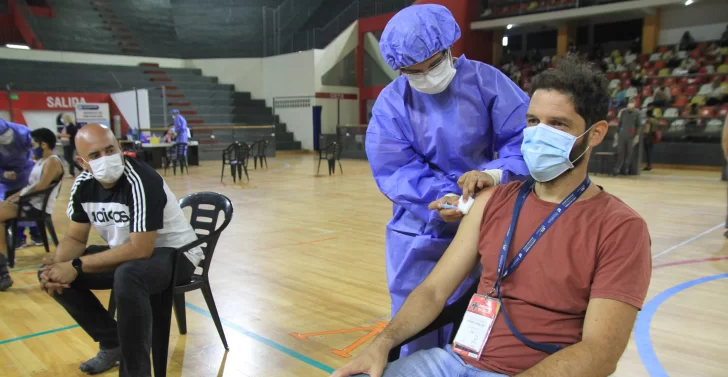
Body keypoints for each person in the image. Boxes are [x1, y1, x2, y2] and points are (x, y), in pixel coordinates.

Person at [332, 56, 651, 377]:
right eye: (532, 122)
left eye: (557, 124)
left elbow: (601, 352)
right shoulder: (492, 201)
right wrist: (381, 343)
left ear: (595, 134)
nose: (539, 135)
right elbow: (433, 291)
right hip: (454, 362)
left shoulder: (621, 227)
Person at [367, 4, 530, 357]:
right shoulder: (392, 104)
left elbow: (522, 139)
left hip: (487, 220)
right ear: (399, 69)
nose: (428, 75)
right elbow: (395, 167)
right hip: (421, 228)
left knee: (478, 329)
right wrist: (442, 198)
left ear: (449, 48)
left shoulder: (487, 83)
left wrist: (492, 174)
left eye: (434, 64)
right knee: (416, 328)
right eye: (415, 71)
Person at [38, 124, 204, 376]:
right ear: (83, 162)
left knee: (128, 275)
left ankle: (134, 372)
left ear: (120, 148)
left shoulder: (141, 179)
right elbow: (74, 237)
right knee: (50, 272)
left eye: (110, 149)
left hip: (176, 254)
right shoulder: (83, 185)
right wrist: (58, 267)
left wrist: (75, 266)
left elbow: (141, 249)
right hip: (128, 255)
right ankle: (113, 341)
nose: (105, 159)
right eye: (95, 156)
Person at [0, 128, 63, 290]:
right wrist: (14, 196)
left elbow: (41, 185)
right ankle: (2, 263)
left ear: (43, 144)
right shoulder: (40, 160)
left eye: (34, 143)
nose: (31, 146)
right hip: (27, 202)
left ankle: (2, 269)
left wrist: (19, 197)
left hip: (36, 207)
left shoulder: (53, 161)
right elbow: (30, 186)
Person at [0, 118, 43, 250]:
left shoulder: (22, 131)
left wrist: (38, 154)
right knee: (11, 207)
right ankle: (19, 237)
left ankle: (36, 234)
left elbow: (39, 144)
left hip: (26, 172)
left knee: (30, 204)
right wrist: (3, 174)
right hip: (6, 180)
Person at [614, 99, 642, 175]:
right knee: (620, 152)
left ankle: (626, 169)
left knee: (629, 153)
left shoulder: (637, 113)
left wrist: (637, 135)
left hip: (631, 136)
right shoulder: (623, 112)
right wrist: (617, 133)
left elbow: (639, 126)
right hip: (622, 135)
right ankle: (617, 169)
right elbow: (619, 123)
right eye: (630, 102)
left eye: (632, 103)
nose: (630, 104)